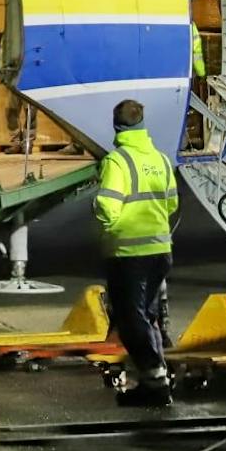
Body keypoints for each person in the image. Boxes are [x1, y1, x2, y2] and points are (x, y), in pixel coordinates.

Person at [95, 99, 180, 407]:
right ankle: (154, 382)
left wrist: (109, 224)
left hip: (128, 253)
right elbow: (172, 204)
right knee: (147, 317)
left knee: (131, 321)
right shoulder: (160, 159)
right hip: (160, 251)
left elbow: (107, 205)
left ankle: (155, 380)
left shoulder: (117, 161)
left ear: (117, 126)